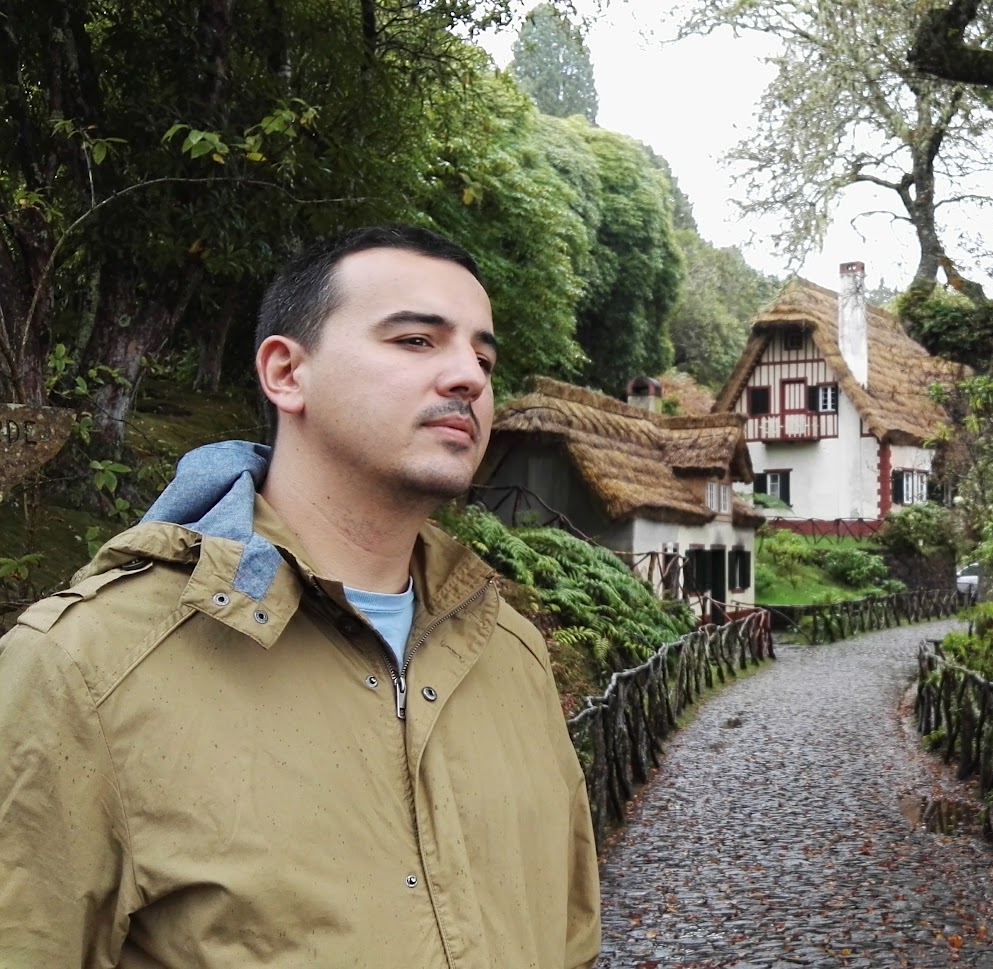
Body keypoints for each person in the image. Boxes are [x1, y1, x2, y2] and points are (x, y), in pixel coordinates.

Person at [0, 225, 601, 968]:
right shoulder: (83, 665)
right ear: (287, 372)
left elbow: (570, 935)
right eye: (417, 340)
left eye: (483, 356)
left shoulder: (512, 654)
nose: (470, 377)